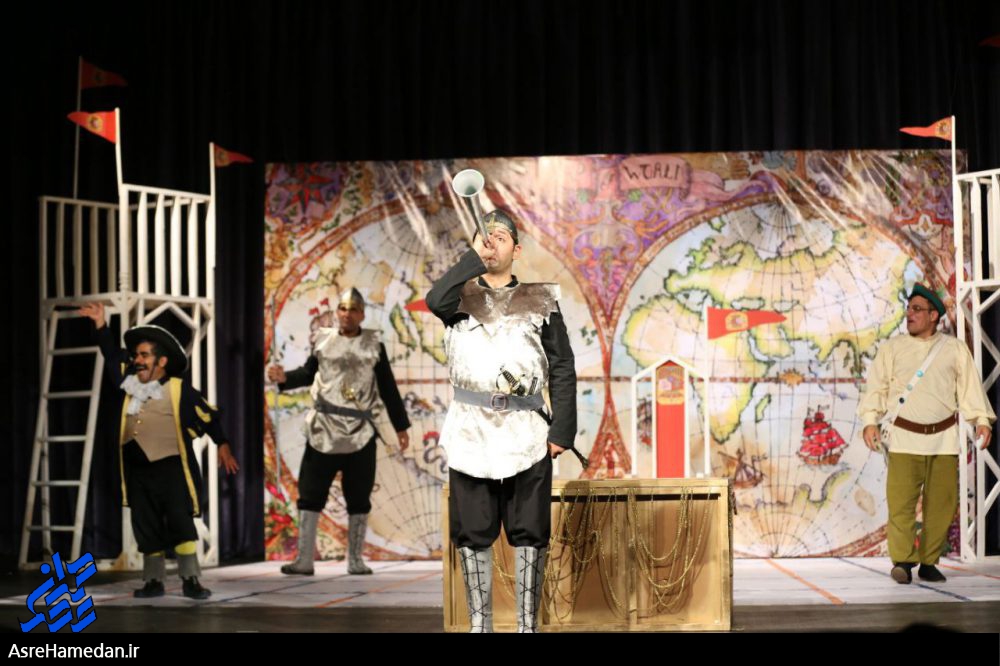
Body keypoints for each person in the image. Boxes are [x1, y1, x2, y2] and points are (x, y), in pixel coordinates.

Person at [426, 209, 578, 632]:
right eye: (485, 236)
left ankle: (527, 626)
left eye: (501, 237)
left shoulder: (541, 299)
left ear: (517, 249)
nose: (492, 242)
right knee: (473, 530)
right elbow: (434, 300)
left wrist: (562, 429)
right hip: (471, 430)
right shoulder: (457, 299)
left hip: (526, 430)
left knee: (530, 530)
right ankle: (481, 625)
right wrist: (474, 258)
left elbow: (562, 365)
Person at [79, 302, 239, 599]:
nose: (137, 360)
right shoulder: (130, 383)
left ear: (161, 361)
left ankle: (190, 579)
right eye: (136, 355)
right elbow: (112, 356)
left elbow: (208, 417)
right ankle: (153, 581)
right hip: (137, 470)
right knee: (146, 524)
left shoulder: (178, 389)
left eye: (144, 355)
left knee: (180, 522)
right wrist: (101, 324)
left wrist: (223, 445)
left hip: (170, 468)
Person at [858, 284, 995, 584]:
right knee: (901, 504)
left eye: (917, 309)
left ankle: (929, 562)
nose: (910, 314)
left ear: (934, 315)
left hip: (943, 439)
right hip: (904, 439)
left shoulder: (953, 348)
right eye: (909, 309)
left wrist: (981, 420)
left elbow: (969, 389)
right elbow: (877, 388)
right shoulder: (892, 348)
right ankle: (903, 562)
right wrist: (870, 421)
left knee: (942, 505)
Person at [267, 288, 410, 575]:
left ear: (362, 315)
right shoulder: (323, 340)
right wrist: (284, 378)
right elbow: (308, 373)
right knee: (310, 493)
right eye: (343, 309)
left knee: (359, 496)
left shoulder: (373, 344)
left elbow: (387, 386)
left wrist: (401, 426)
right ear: (337, 313)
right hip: (324, 429)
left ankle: (355, 560)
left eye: (353, 310)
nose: (347, 314)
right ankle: (304, 559)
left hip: (360, 432)